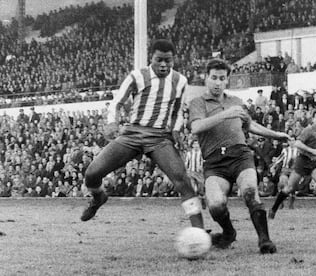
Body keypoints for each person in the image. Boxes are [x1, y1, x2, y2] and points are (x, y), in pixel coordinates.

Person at [80, 39, 204, 229]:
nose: (163, 65)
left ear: (173, 60)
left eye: (168, 61)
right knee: (92, 173)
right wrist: (113, 122)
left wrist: (177, 130)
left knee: (183, 181)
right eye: (159, 60)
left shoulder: (180, 81)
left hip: (160, 137)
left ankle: (199, 230)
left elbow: (178, 111)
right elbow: (116, 102)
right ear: (151, 58)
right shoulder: (137, 76)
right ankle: (99, 197)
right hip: (132, 133)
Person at [189, 59, 291, 254]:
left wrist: (276, 134)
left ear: (227, 80)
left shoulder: (235, 102)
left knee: (250, 191)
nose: (217, 83)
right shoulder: (198, 103)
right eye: (213, 78)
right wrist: (225, 114)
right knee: (216, 205)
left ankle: (264, 241)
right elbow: (196, 127)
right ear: (206, 79)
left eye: (222, 78)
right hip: (214, 161)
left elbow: (250, 125)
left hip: (240, 155)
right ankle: (229, 233)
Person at [269, 110, 316, 220]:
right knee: (289, 188)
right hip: (302, 161)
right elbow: (297, 143)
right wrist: (312, 151)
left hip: (314, 163)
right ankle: (273, 209)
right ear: (313, 119)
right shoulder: (308, 130)